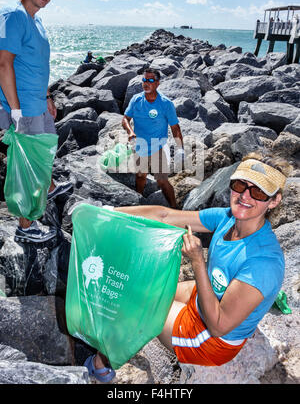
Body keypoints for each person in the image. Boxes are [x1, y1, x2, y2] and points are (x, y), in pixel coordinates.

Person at [83, 151, 291, 382]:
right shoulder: (227, 219)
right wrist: (106, 214)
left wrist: (197, 263)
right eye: (240, 184)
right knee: (144, 287)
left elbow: (219, 326)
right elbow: (164, 215)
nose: (245, 196)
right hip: (209, 297)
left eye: (258, 191)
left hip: (211, 340)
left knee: (135, 305)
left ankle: (101, 365)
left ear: (274, 201)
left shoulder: (264, 262)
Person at [0, 0, 72, 243]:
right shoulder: (13, 16)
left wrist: (48, 96)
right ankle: (25, 225)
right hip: (23, 108)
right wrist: (15, 110)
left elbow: (37, 64)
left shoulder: (37, 20)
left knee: (45, 152)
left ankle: (51, 185)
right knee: (28, 166)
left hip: (37, 102)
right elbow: (4, 65)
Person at [122, 68, 184, 209]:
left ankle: (175, 209)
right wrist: (130, 132)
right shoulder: (136, 99)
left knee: (162, 180)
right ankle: (138, 202)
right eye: (144, 80)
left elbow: (175, 128)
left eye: (150, 80)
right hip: (140, 145)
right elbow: (125, 118)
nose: (146, 83)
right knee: (140, 176)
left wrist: (180, 149)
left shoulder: (166, 103)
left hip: (159, 145)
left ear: (157, 83)